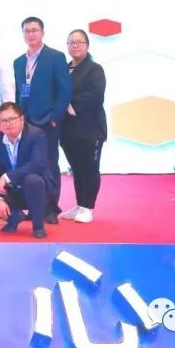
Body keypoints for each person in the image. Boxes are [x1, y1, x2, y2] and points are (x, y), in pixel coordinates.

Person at [12, 16, 71, 224]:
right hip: (25, 122)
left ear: (42, 32)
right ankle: (34, 207)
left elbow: (65, 90)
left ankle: (51, 208)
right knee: (28, 165)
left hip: (47, 121)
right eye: (27, 31)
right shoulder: (19, 62)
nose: (31, 34)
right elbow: (19, 91)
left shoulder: (55, 57)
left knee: (49, 164)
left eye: (34, 30)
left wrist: (54, 118)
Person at [0, 102, 55, 238]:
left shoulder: (36, 135)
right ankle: (14, 217)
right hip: (10, 189)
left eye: (12, 119)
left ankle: (38, 226)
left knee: (33, 180)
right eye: (4, 121)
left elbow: (37, 165)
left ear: (21, 119)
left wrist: (7, 177)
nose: (8, 124)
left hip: (36, 188)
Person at [60, 29, 107, 224]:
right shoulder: (64, 68)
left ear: (87, 45)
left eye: (79, 42)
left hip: (90, 129)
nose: (75, 45)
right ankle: (79, 204)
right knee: (77, 168)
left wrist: (69, 104)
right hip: (68, 129)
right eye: (71, 42)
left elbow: (96, 95)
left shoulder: (95, 69)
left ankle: (88, 207)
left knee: (90, 168)